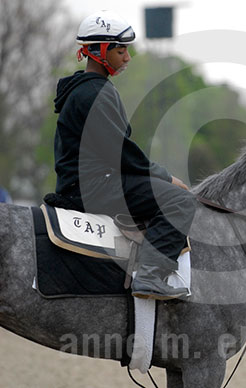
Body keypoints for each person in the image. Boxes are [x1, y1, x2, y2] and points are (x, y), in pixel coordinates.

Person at [52, 10, 196, 300]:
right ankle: (150, 276)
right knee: (180, 201)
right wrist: (165, 176)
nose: (128, 58)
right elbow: (121, 153)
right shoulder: (94, 93)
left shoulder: (88, 89)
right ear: (99, 51)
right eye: (121, 51)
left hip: (85, 182)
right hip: (91, 187)